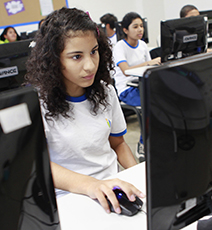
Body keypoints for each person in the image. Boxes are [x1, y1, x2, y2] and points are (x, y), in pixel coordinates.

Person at [25, 7, 145, 215]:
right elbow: (39, 167)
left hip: (112, 189)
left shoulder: (106, 92)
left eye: (93, 52)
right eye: (76, 57)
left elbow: (118, 144)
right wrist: (91, 185)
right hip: (69, 198)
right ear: (54, 59)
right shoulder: (37, 103)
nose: (90, 65)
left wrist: (139, 177)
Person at [112, 12, 161, 162]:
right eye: (135, 27)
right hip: (127, 89)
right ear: (125, 30)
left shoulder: (143, 45)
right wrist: (149, 63)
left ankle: (158, 141)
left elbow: (152, 68)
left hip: (142, 85)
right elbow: (126, 71)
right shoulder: (120, 47)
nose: (140, 29)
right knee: (151, 105)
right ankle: (143, 143)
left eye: (141, 26)